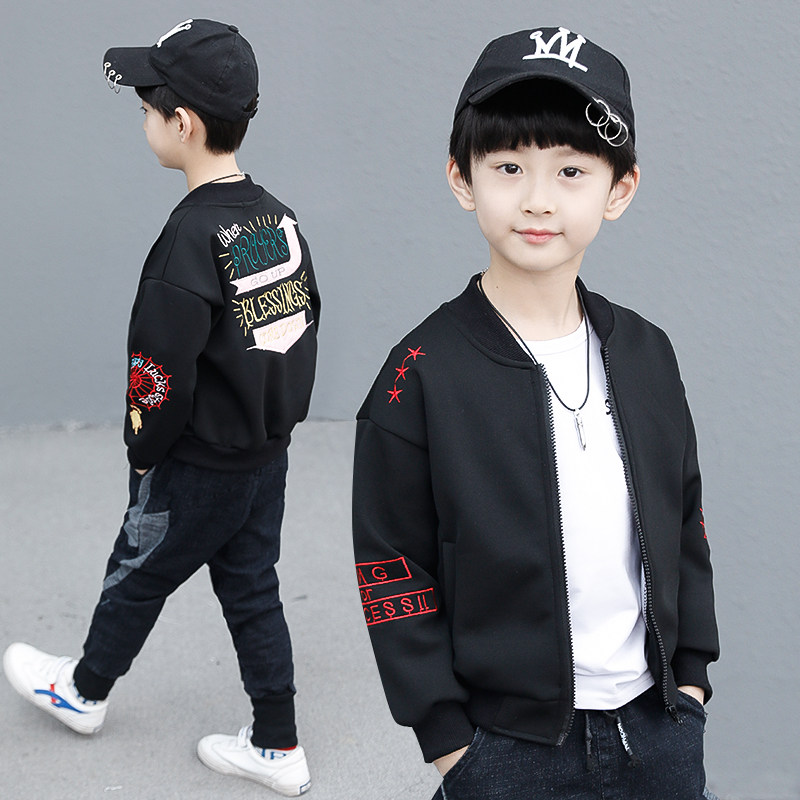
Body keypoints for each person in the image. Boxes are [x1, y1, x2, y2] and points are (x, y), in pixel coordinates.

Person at [352, 25, 719, 799]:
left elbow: (684, 520)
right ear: (463, 178)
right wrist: (451, 746)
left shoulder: (647, 353)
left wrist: (689, 684)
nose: (538, 199)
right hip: (503, 751)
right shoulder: (418, 374)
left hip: (658, 733)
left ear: (619, 190)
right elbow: (391, 565)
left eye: (571, 170)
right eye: (509, 166)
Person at [3, 19, 318, 797]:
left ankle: (84, 691)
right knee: (253, 588)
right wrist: (274, 429)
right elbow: (297, 332)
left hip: (195, 465)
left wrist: (144, 453)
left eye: (147, 108)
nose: (143, 120)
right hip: (264, 458)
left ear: (182, 125)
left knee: (136, 571)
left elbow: (157, 372)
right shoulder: (277, 220)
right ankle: (277, 742)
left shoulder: (188, 240)